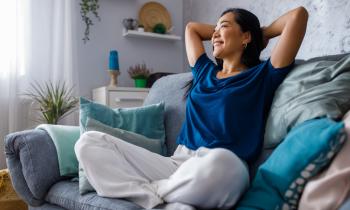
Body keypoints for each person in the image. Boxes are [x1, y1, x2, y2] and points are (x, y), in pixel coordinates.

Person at [75, 6, 308, 210]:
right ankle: (156, 197)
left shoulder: (263, 75)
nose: (215, 33)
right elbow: (191, 29)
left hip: (223, 165)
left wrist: (260, 33)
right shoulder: (204, 72)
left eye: (223, 27)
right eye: (215, 29)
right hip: (177, 163)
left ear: (245, 37)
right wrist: (224, 30)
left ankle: (158, 192)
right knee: (88, 142)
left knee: (223, 164)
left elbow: (298, 16)